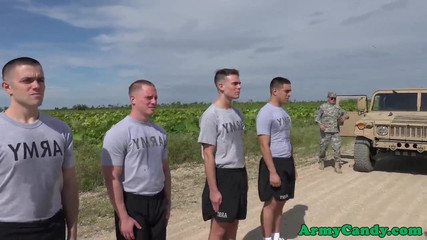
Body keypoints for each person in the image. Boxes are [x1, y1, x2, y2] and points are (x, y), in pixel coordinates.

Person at [0, 57, 79, 240]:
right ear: (7, 87)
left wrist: (73, 230)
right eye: (27, 80)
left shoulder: (60, 130)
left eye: (40, 80)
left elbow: (69, 184)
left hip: (53, 224)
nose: (36, 85)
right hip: (8, 227)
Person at [101, 80, 171, 240]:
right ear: (133, 99)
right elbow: (112, 177)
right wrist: (123, 216)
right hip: (133, 201)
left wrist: (167, 203)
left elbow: (165, 169)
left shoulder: (160, 132)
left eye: (155, 98)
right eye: (148, 97)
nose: (153, 102)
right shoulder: (118, 132)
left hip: (158, 200)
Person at [198, 68, 247, 240]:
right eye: (235, 83)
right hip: (222, 175)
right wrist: (213, 190)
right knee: (219, 228)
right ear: (221, 86)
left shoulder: (237, 113)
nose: (239, 86)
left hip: (239, 172)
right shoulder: (211, 116)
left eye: (239, 83)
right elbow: (208, 154)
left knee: (233, 223)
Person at [256, 77, 296, 240]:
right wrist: (272, 171)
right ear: (275, 91)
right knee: (271, 203)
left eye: (289, 91)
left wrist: (293, 166)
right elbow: (264, 145)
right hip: (274, 162)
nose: (289, 94)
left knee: (281, 202)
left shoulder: (284, 113)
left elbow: (287, 140)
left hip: (286, 161)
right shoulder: (266, 113)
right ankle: (267, 238)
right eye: (286, 91)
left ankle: (276, 235)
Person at [314, 92, 349, 173]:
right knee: (323, 147)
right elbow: (316, 117)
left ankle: (337, 165)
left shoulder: (337, 108)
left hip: (335, 132)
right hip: (325, 132)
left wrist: (344, 118)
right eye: (331, 98)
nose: (333, 100)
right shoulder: (323, 107)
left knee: (337, 148)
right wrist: (320, 124)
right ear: (328, 98)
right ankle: (322, 161)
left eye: (334, 98)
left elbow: (346, 114)